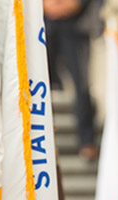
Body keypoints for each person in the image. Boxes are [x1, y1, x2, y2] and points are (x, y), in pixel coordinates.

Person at [44, 0, 100, 161]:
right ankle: (43, 135)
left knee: (81, 84)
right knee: (41, 84)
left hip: (76, 24)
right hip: (44, 22)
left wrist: (73, 4)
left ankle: (87, 141)